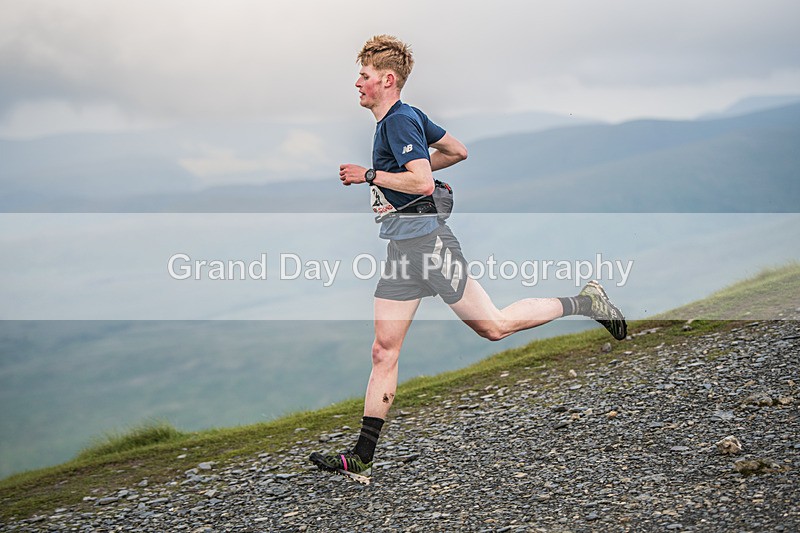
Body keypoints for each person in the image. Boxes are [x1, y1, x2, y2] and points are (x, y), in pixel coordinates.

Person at [310, 35, 626, 481]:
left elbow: (420, 183)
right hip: (402, 250)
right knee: (384, 350)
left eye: (363, 76)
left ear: (387, 79)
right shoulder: (405, 118)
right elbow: (458, 151)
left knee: (494, 327)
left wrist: (370, 176)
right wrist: (397, 176)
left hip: (428, 245)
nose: (357, 83)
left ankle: (585, 302)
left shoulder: (400, 121)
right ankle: (362, 454)